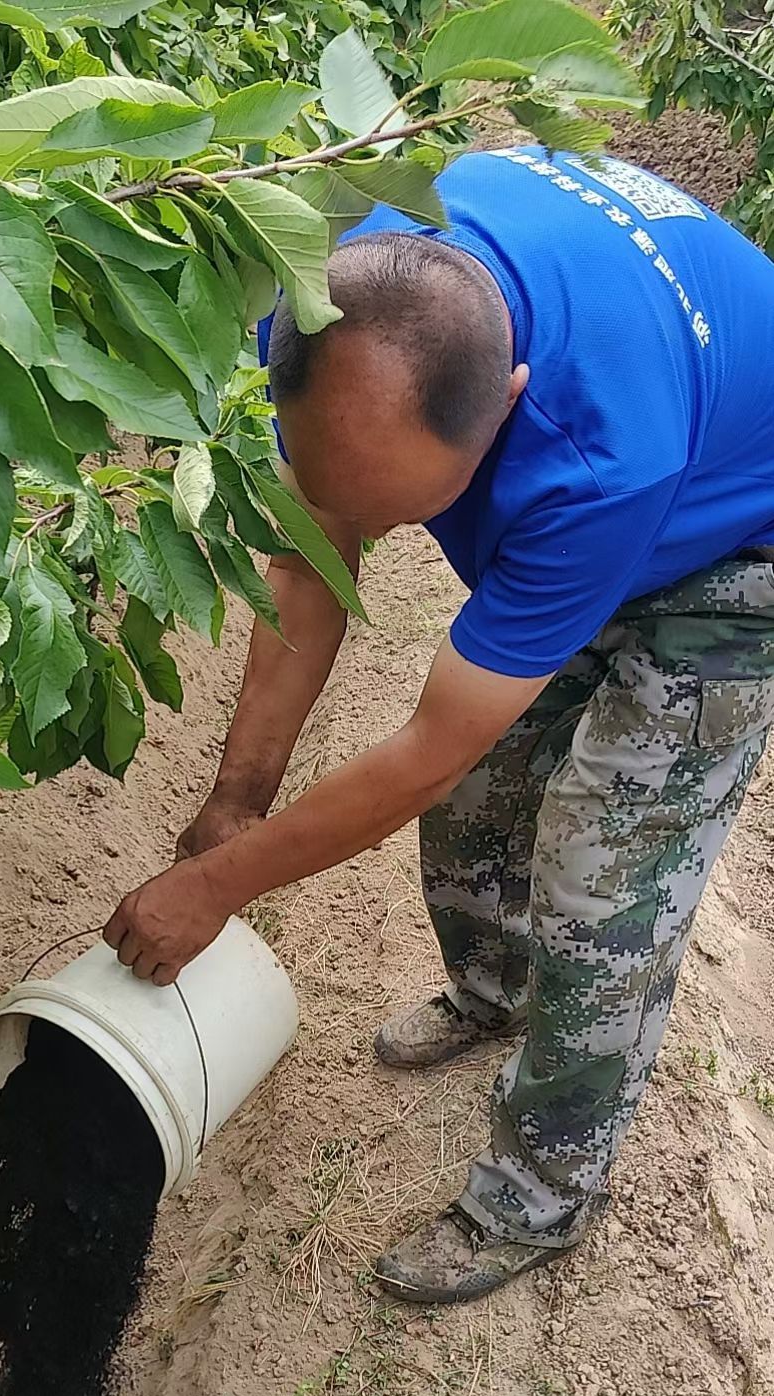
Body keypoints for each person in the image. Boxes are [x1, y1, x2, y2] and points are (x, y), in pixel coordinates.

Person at [104, 145, 774, 1306]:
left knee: (599, 892)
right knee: (479, 810)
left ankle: (538, 1194)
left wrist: (217, 889)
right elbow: (311, 567)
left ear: (506, 402)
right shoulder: (329, 284)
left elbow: (425, 748)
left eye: (402, 512)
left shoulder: (596, 456)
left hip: (729, 549)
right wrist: (237, 799)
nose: (364, 531)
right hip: (625, 446)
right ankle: (491, 992)